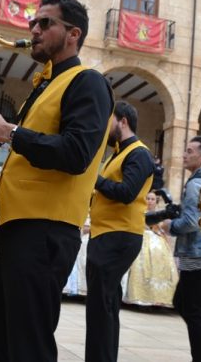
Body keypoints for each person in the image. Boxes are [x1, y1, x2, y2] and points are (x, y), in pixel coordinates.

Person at [0, 0, 114, 362]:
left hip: (44, 231)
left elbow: (77, 154)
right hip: (16, 228)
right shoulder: (44, 85)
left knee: (28, 347)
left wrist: (10, 133)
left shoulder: (88, 82)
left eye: (45, 23)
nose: (33, 30)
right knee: (6, 344)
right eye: (33, 23)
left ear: (73, 34)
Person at [85, 100, 153, 362]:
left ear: (122, 121)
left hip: (119, 236)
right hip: (107, 234)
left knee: (101, 306)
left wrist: (95, 179)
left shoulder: (139, 153)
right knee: (104, 304)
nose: (105, 126)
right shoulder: (117, 152)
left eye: (108, 119)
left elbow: (126, 193)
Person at [161, 135, 201, 362]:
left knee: (191, 310)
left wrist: (169, 226)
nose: (184, 155)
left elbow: (191, 222)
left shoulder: (196, 182)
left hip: (198, 255)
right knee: (184, 304)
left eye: (189, 151)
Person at [123, 189, 178, 308]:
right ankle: (139, 295)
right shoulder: (140, 211)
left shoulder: (160, 215)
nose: (150, 201)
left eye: (152, 199)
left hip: (156, 241)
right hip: (141, 238)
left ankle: (158, 297)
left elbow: (163, 230)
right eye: (148, 198)